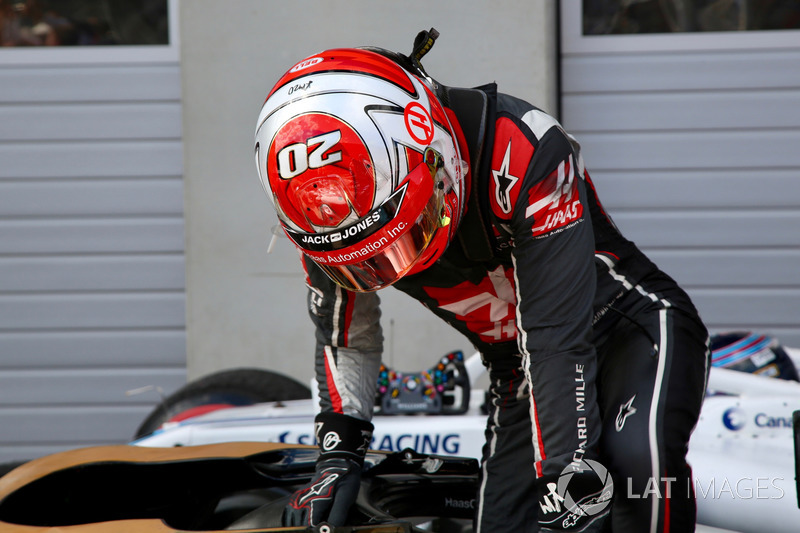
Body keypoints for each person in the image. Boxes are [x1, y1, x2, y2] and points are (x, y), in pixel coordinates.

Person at [253, 29, 710, 532]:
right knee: (504, 523)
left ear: (431, 147)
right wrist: (339, 453)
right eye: (367, 261)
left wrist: (565, 475)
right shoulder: (325, 215)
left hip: (628, 327)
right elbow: (345, 338)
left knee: (633, 472)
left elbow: (557, 338)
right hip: (517, 369)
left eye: (403, 233)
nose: (391, 263)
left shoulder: (520, 146)